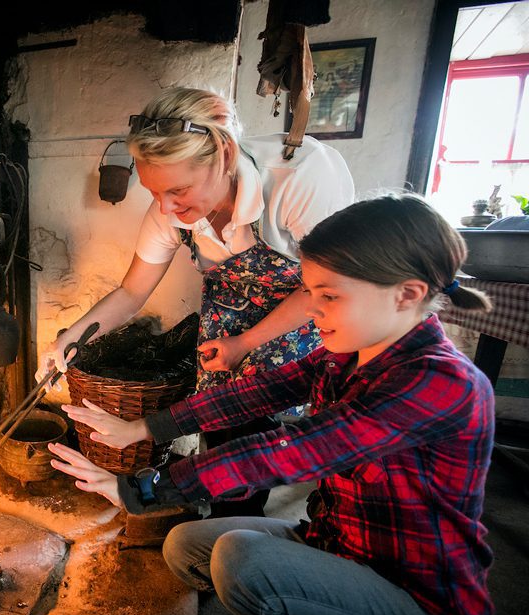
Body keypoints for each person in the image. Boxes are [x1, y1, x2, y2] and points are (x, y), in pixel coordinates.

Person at [48, 193, 495, 615]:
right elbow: (252, 394)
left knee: (242, 562)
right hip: (337, 544)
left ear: (406, 294)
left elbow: (288, 451)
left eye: (329, 296)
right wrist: (143, 427)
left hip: (420, 604)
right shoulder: (344, 356)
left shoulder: (441, 383)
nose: (313, 309)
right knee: (186, 546)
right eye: (311, 292)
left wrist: (142, 488)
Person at [42, 87, 354, 518]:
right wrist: (70, 338)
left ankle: (242, 532)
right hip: (225, 330)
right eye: (154, 193)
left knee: (269, 445)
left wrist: (248, 343)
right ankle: (221, 520)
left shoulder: (299, 177)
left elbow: (327, 286)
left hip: (297, 325)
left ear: (224, 153)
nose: (166, 207)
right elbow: (132, 292)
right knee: (221, 426)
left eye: (178, 190)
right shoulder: (168, 210)